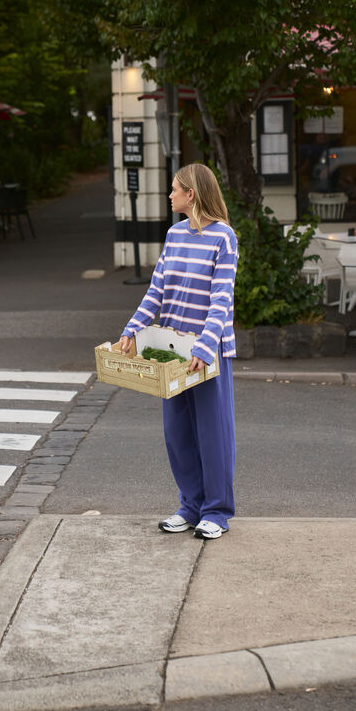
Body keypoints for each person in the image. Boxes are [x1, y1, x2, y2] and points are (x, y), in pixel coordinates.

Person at [118, 163, 239, 540]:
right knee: (177, 432)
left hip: (207, 352)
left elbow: (221, 299)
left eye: (174, 190)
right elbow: (155, 292)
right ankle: (190, 505)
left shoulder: (224, 238)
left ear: (192, 194)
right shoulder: (173, 235)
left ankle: (216, 512)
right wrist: (132, 330)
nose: (169, 195)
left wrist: (205, 346)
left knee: (212, 433)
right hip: (170, 351)